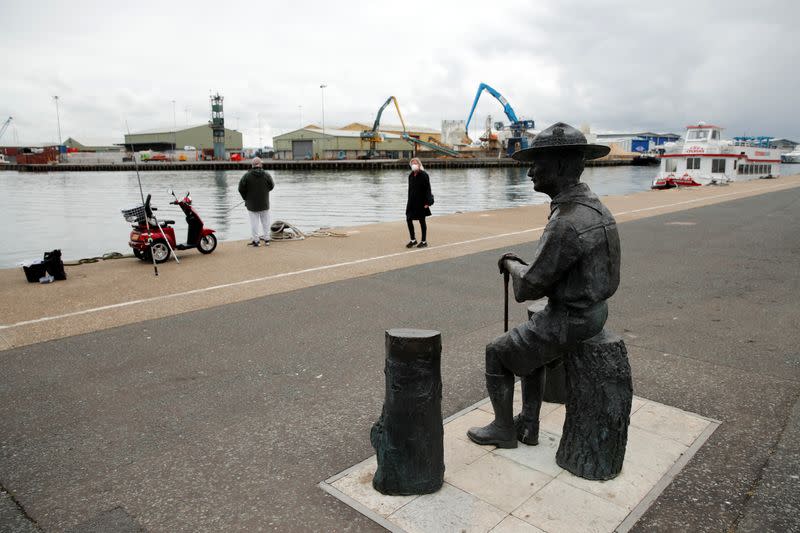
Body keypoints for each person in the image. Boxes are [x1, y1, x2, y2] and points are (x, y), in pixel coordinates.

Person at [466, 122, 621, 449]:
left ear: (562, 165)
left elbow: (528, 289)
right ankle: (530, 423)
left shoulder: (565, 222)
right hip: (595, 311)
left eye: (538, 163)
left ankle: (503, 428)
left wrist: (511, 264)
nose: (530, 172)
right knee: (528, 349)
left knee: (496, 352)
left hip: (572, 319)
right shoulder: (593, 207)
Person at [238, 157, 275, 247]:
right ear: (260, 165)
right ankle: (267, 240)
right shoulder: (266, 175)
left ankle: (256, 241)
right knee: (265, 222)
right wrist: (265, 191)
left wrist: (245, 198)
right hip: (264, 203)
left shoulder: (247, 176)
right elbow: (272, 186)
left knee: (254, 224)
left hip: (252, 205)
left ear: (252, 165)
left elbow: (240, 189)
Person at [405, 157, 433, 248]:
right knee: (408, 219)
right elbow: (410, 190)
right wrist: (409, 202)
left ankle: (424, 241)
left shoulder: (424, 175)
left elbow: (427, 189)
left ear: (419, 164)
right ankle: (413, 240)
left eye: (415, 163)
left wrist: (428, 202)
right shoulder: (411, 175)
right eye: (412, 163)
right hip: (411, 202)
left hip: (421, 202)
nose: (414, 164)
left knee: (422, 221)